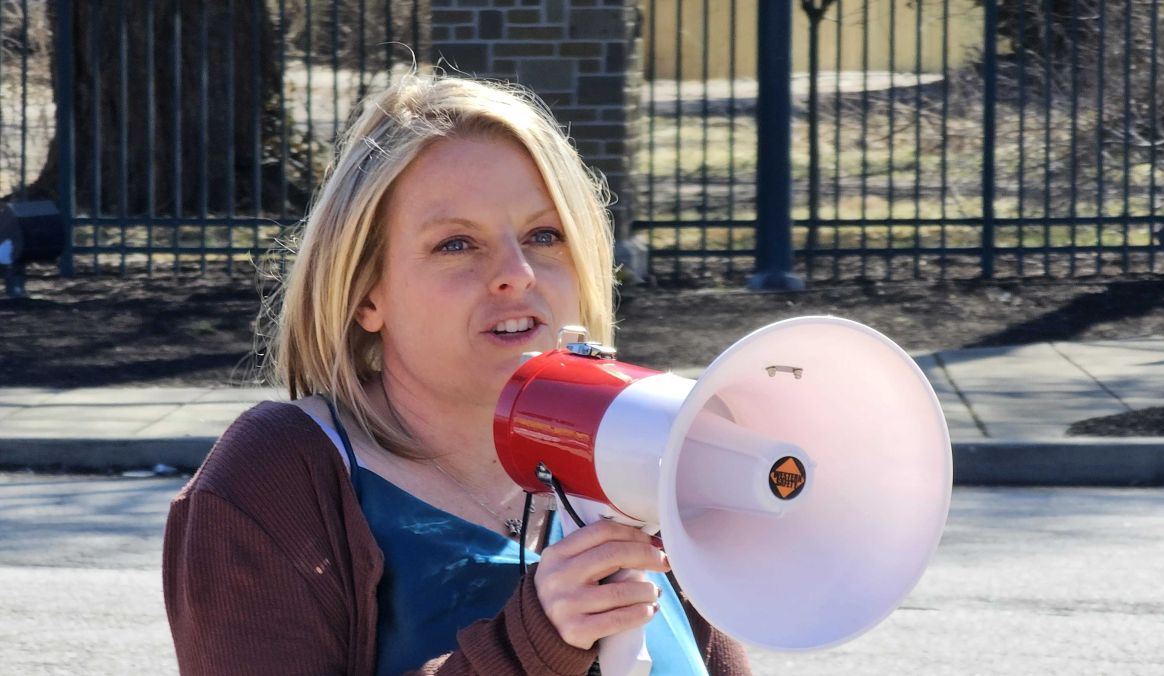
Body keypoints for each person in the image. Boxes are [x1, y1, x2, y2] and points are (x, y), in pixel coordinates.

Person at [161, 73, 752, 675]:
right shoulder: (280, 474)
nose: (517, 272)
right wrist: (533, 644)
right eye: (456, 244)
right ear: (366, 295)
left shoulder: (644, 451)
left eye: (545, 235)